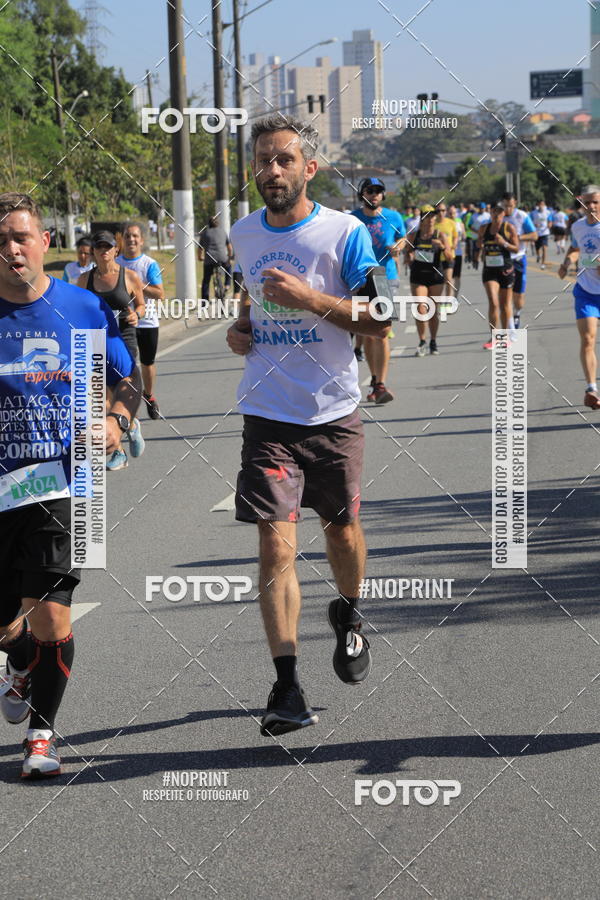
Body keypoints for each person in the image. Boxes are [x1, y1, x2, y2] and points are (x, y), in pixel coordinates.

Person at [226, 114, 386, 737]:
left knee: (342, 533)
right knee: (274, 543)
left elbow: (379, 319)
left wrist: (311, 300)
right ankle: (286, 685)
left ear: (309, 168)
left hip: (334, 411)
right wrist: (243, 329)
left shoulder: (343, 232)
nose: (271, 171)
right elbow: (249, 306)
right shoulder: (242, 233)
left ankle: (348, 614)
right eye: (263, 160)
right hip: (267, 413)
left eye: (283, 160)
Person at [0, 191, 141, 778]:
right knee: (11, 626)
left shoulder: (82, 309)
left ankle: (42, 736)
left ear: (45, 243)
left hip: (67, 481)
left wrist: (117, 419)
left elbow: (126, 380)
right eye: (0, 240)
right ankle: (22, 658)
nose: (10, 249)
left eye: (20, 237)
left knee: (54, 614)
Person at [78, 231, 146, 471]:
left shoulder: (130, 276)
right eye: (99, 247)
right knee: (101, 397)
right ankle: (119, 449)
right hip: (95, 342)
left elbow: (141, 304)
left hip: (122, 339)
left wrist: (136, 315)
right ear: (94, 252)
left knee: (123, 386)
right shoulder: (84, 280)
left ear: (115, 250)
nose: (104, 251)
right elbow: (78, 310)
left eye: (108, 246)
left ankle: (130, 424)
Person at [351, 177, 405, 403]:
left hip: (384, 277)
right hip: (360, 278)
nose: (374, 194)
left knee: (382, 332)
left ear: (383, 195)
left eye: (378, 191)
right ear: (361, 194)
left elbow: (403, 238)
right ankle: (374, 379)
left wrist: (397, 247)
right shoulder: (352, 219)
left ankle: (380, 384)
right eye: (369, 190)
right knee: (367, 335)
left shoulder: (393, 217)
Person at [116, 222, 165, 420]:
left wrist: (137, 285)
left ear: (141, 240)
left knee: (147, 363)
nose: (131, 240)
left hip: (148, 321)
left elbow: (159, 293)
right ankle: (127, 405)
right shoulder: (115, 263)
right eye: (128, 236)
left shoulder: (149, 264)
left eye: (135, 236)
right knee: (127, 365)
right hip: (123, 321)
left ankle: (148, 395)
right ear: (122, 239)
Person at [558, 185, 600, 409]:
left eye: (595, 202)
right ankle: (592, 388)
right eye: (587, 202)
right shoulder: (577, 226)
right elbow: (575, 249)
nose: (591, 206)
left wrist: (591, 262)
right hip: (586, 292)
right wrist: (567, 262)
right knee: (588, 339)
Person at [404, 204, 452, 356]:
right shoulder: (414, 235)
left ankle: (433, 341)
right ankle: (422, 341)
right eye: (427, 216)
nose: (430, 219)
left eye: (433, 216)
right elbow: (407, 255)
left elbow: (450, 257)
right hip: (418, 275)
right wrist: (409, 257)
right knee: (421, 308)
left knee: (433, 312)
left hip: (435, 276)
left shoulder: (439, 234)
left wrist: (443, 247)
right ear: (422, 218)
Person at [478, 201, 519, 349]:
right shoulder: (484, 228)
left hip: (505, 270)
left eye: (499, 212)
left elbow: (516, 248)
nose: (496, 215)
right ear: (491, 213)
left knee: (505, 305)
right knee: (493, 302)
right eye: (494, 212)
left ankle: (505, 336)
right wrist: (480, 245)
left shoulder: (509, 228)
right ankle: (494, 337)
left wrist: (504, 243)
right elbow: (478, 244)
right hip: (489, 271)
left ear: (504, 214)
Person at [502, 192, 537, 329]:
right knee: (505, 296)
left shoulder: (522, 216)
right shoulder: (499, 216)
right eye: (505, 206)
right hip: (503, 260)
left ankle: (517, 313)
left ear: (515, 203)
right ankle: (509, 327)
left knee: (519, 297)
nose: (508, 209)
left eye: (510, 206)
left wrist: (517, 238)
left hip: (518, 259)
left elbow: (534, 235)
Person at [198, 217, 233, 299]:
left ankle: (204, 301)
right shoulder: (223, 232)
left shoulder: (205, 233)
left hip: (209, 260)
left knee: (206, 280)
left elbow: (200, 249)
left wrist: (200, 258)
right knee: (229, 267)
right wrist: (229, 257)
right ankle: (227, 285)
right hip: (222, 258)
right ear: (218, 224)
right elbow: (229, 248)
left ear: (208, 224)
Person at [433, 202, 458, 297]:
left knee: (448, 279)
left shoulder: (451, 223)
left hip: (449, 255)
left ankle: (448, 301)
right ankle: (438, 302)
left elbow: (455, 236)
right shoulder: (433, 223)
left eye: (443, 210)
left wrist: (454, 244)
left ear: (446, 211)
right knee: (438, 281)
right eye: (438, 210)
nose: (440, 212)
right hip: (437, 256)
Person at [447, 203, 465, 298]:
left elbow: (464, 236)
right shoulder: (445, 223)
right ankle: (448, 297)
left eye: (453, 213)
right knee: (448, 277)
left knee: (457, 277)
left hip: (458, 253)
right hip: (447, 254)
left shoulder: (460, 224)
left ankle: (455, 297)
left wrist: (460, 237)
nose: (452, 215)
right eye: (450, 213)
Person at [469, 202, 491, 270]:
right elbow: (469, 225)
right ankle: (476, 260)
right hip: (476, 236)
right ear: (478, 208)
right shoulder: (474, 216)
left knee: (484, 249)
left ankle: (484, 262)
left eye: (483, 208)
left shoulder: (488, 215)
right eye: (480, 208)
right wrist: (477, 231)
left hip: (485, 236)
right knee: (477, 250)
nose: (482, 210)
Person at [532, 200, 551, 268]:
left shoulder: (548, 212)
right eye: (540, 204)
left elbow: (550, 221)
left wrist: (549, 225)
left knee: (544, 248)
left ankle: (543, 264)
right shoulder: (533, 213)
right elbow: (530, 222)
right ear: (538, 205)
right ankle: (538, 255)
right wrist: (534, 224)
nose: (541, 206)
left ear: (544, 205)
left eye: (542, 204)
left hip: (545, 232)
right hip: (537, 233)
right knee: (537, 248)